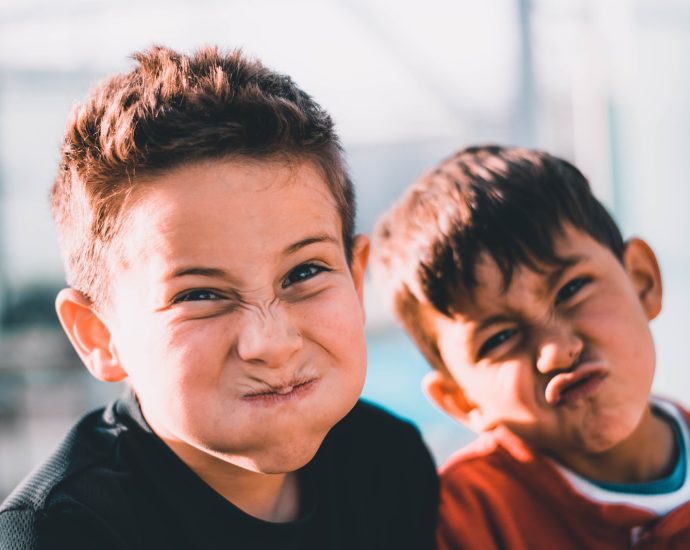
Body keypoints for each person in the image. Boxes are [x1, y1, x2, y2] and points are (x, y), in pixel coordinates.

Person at [0, 45, 438, 550]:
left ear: (356, 281)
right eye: (201, 294)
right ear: (99, 335)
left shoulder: (388, 463)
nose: (271, 343)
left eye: (304, 272)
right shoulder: (62, 534)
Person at [371, 145, 690, 548]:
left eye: (572, 289)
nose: (556, 352)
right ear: (460, 400)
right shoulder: (458, 524)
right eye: (500, 338)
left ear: (642, 281)